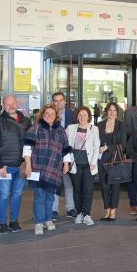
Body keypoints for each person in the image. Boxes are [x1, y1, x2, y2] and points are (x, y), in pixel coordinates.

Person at [23, 104, 71, 235]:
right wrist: (28, 165)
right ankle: (39, 222)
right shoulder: (35, 128)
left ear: (56, 116)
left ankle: (48, 219)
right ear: (42, 115)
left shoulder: (60, 130)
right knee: (39, 196)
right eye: (47, 114)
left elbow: (66, 149)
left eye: (52, 114)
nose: (49, 116)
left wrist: (66, 164)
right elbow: (27, 148)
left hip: (54, 168)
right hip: (37, 167)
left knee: (50, 196)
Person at [0, 95, 32, 234]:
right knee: (3, 194)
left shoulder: (26, 121)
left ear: (17, 103)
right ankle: (2, 223)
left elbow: (31, 143)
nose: (11, 106)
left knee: (17, 194)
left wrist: (29, 163)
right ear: (3, 105)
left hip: (20, 166)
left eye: (13, 103)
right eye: (7, 104)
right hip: (5, 167)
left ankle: (14, 221)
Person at [65, 106, 100, 226]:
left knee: (89, 190)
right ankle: (79, 213)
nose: (82, 117)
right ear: (77, 116)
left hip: (89, 164)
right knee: (77, 189)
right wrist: (67, 161)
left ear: (89, 116)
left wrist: (94, 162)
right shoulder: (70, 128)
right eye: (80, 115)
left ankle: (87, 214)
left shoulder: (94, 129)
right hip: (75, 164)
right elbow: (66, 146)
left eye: (85, 115)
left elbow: (96, 146)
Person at [97, 102, 127, 221]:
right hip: (102, 159)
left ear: (117, 113)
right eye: (110, 110)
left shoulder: (122, 125)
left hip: (116, 159)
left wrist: (108, 147)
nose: (112, 113)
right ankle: (107, 210)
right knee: (104, 186)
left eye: (114, 110)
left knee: (115, 186)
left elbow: (123, 144)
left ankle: (113, 211)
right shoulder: (99, 125)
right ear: (106, 111)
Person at [51, 92, 77, 220]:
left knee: (68, 183)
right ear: (53, 102)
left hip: (68, 153)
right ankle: (54, 210)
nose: (58, 103)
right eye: (56, 101)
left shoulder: (72, 115)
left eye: (61, 100)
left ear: (65, 102)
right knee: (55, 183)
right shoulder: (49, 114)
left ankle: (70, 208)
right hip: (53, 155)